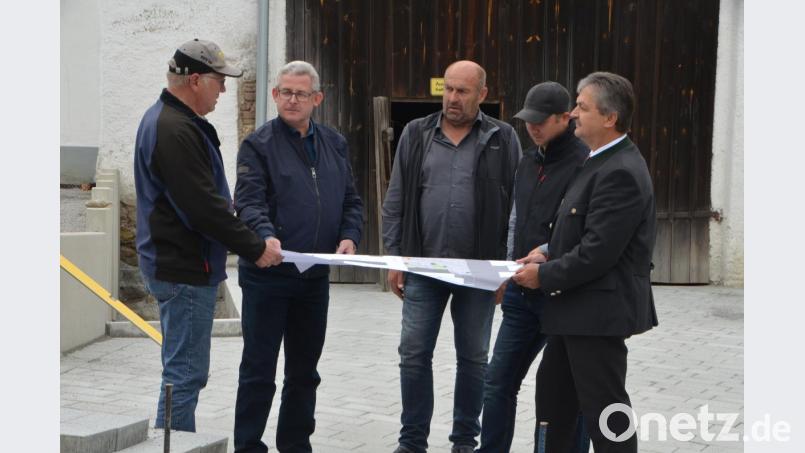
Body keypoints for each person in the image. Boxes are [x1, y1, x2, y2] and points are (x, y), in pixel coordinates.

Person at [512, 71, 658, 453]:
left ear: (610, 118)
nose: (573, 113)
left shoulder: (621, 171)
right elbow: (581, 228)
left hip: (597, 315)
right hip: (573, 312)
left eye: (582, 106)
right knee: (554, 406)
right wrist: (546, 249)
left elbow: (598, 253)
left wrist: (542, 275)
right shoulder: (598, 161)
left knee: (606, 415)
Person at [134, 38, 274, 432]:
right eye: (219, 81)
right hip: (182, 266)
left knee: (182, 371)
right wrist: (256, 247)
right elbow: (201, 209)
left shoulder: (172, 120)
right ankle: (174, 443)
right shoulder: (174, 129)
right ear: (195, 80)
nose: (225, 90)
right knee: (185, 374)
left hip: (178, 262)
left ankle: (173, 440)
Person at [382, 60, 521, 453]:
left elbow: (516, 207)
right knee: (413, 354)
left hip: (479, 271)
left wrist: (506, 269)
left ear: (482, 93)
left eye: (462, 91)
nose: (453, 99)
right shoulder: (416, 133)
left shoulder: (502, 137)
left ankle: (464, 442)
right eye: (448, 90)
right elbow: (396, 199)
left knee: (474, 359)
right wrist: (396, 257)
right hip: (424, 266)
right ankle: (412, 442)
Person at [232, 60, 364, 453]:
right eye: (284, 92)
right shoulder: (258, 145)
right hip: (268, 275)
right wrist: (266, 236)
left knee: (305, 372)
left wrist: (349, 236)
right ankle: (248, 446)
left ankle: (295, 444)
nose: (291, 100)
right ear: (275, 95)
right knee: (259, 370)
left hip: (313, 278)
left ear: (317, 99)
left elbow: (351, 201)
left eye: (300, 93)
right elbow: (249, 203)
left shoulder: (334, 143)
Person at [477, 82, 590, 453]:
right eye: (528, 120)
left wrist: (545, 253)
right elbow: (515, 219)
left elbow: (584, 229)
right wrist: (507, 272)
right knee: (497, 381)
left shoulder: (586, 162)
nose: (533, 127)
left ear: (565, 117)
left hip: (563, 294)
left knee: (567, 393)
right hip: (522, 293)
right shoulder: (529, 159)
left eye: (541, 121)